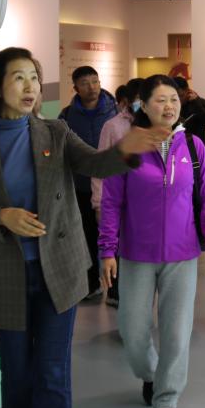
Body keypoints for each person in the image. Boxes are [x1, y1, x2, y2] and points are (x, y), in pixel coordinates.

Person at [0, 47, 167, 408]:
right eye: (19, 78)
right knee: (16, 378)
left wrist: (128, 149)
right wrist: (2, 217)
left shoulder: (56, 132)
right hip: (3, 280)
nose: (30, 86)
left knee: (51, 375)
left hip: (58, 274)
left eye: (34, 77)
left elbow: (96, 165)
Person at [99, 75, 205, 408]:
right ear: (143, 105)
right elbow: (111, 202)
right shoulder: (128, 147)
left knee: (176, 332)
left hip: (182, 254)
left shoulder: (193, 147)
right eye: (160, 99)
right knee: (132, 330)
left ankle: (167, 398)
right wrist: (107, 249)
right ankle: (150, 374)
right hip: (136, 253)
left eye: (174, 99)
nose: (169, 106)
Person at [58, 65, 118, 297]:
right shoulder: (67, 116)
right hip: (81, 186)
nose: (91, 87)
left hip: (112, 186)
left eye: (94, 81)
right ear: (75, 88)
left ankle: (116, 290)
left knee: (115, 237)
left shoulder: (115, 111)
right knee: (86, 236)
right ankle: (91, 284)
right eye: (84, 83)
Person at [92, 77, 145, 307]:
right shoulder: (113, 126)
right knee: (117, 246)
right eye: (138, 99)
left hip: (143, 201)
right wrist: (98, 202)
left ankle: (136, 294)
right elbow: (100, 166)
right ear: (127, 101)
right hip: (117, 199)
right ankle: (115, 292)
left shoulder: (154, 126)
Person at [173, 76, 205, 145]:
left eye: (181, 95)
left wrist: (197, 102)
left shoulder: (201, 102)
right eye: (175, 96)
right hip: (176, 148)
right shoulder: (171, 106)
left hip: (196, 148)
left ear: (188, 91)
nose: (178, 99)